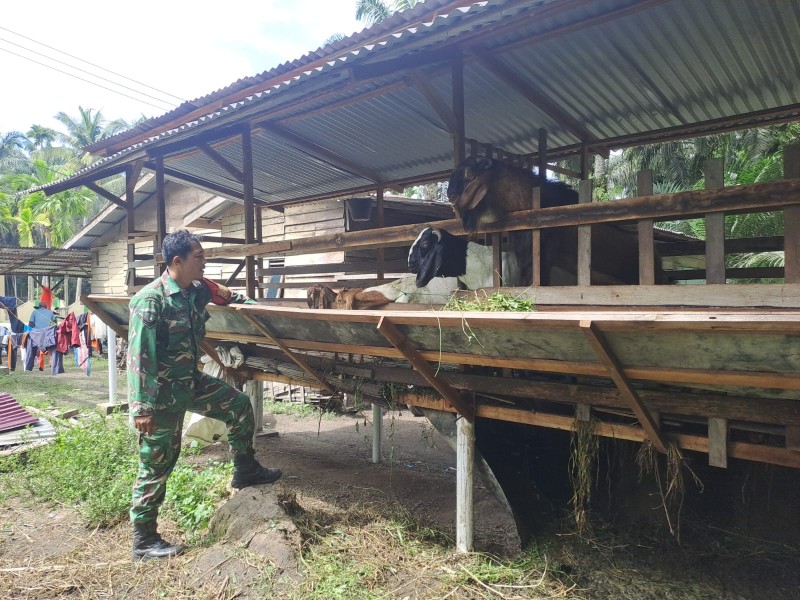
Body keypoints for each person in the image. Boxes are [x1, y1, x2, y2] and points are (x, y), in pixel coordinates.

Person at [127, 230, 282, 561]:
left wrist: (264, 309)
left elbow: (229, 296)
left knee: (239, 406)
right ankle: (144, 539)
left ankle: (245, 469)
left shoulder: (196, 288)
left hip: (190, 382)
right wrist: (142, 408)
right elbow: (139, 357)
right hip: (162, 395)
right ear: (177, 261)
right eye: (199, 256)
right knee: (157, 463)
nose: (205, 261)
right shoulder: (150, 301)